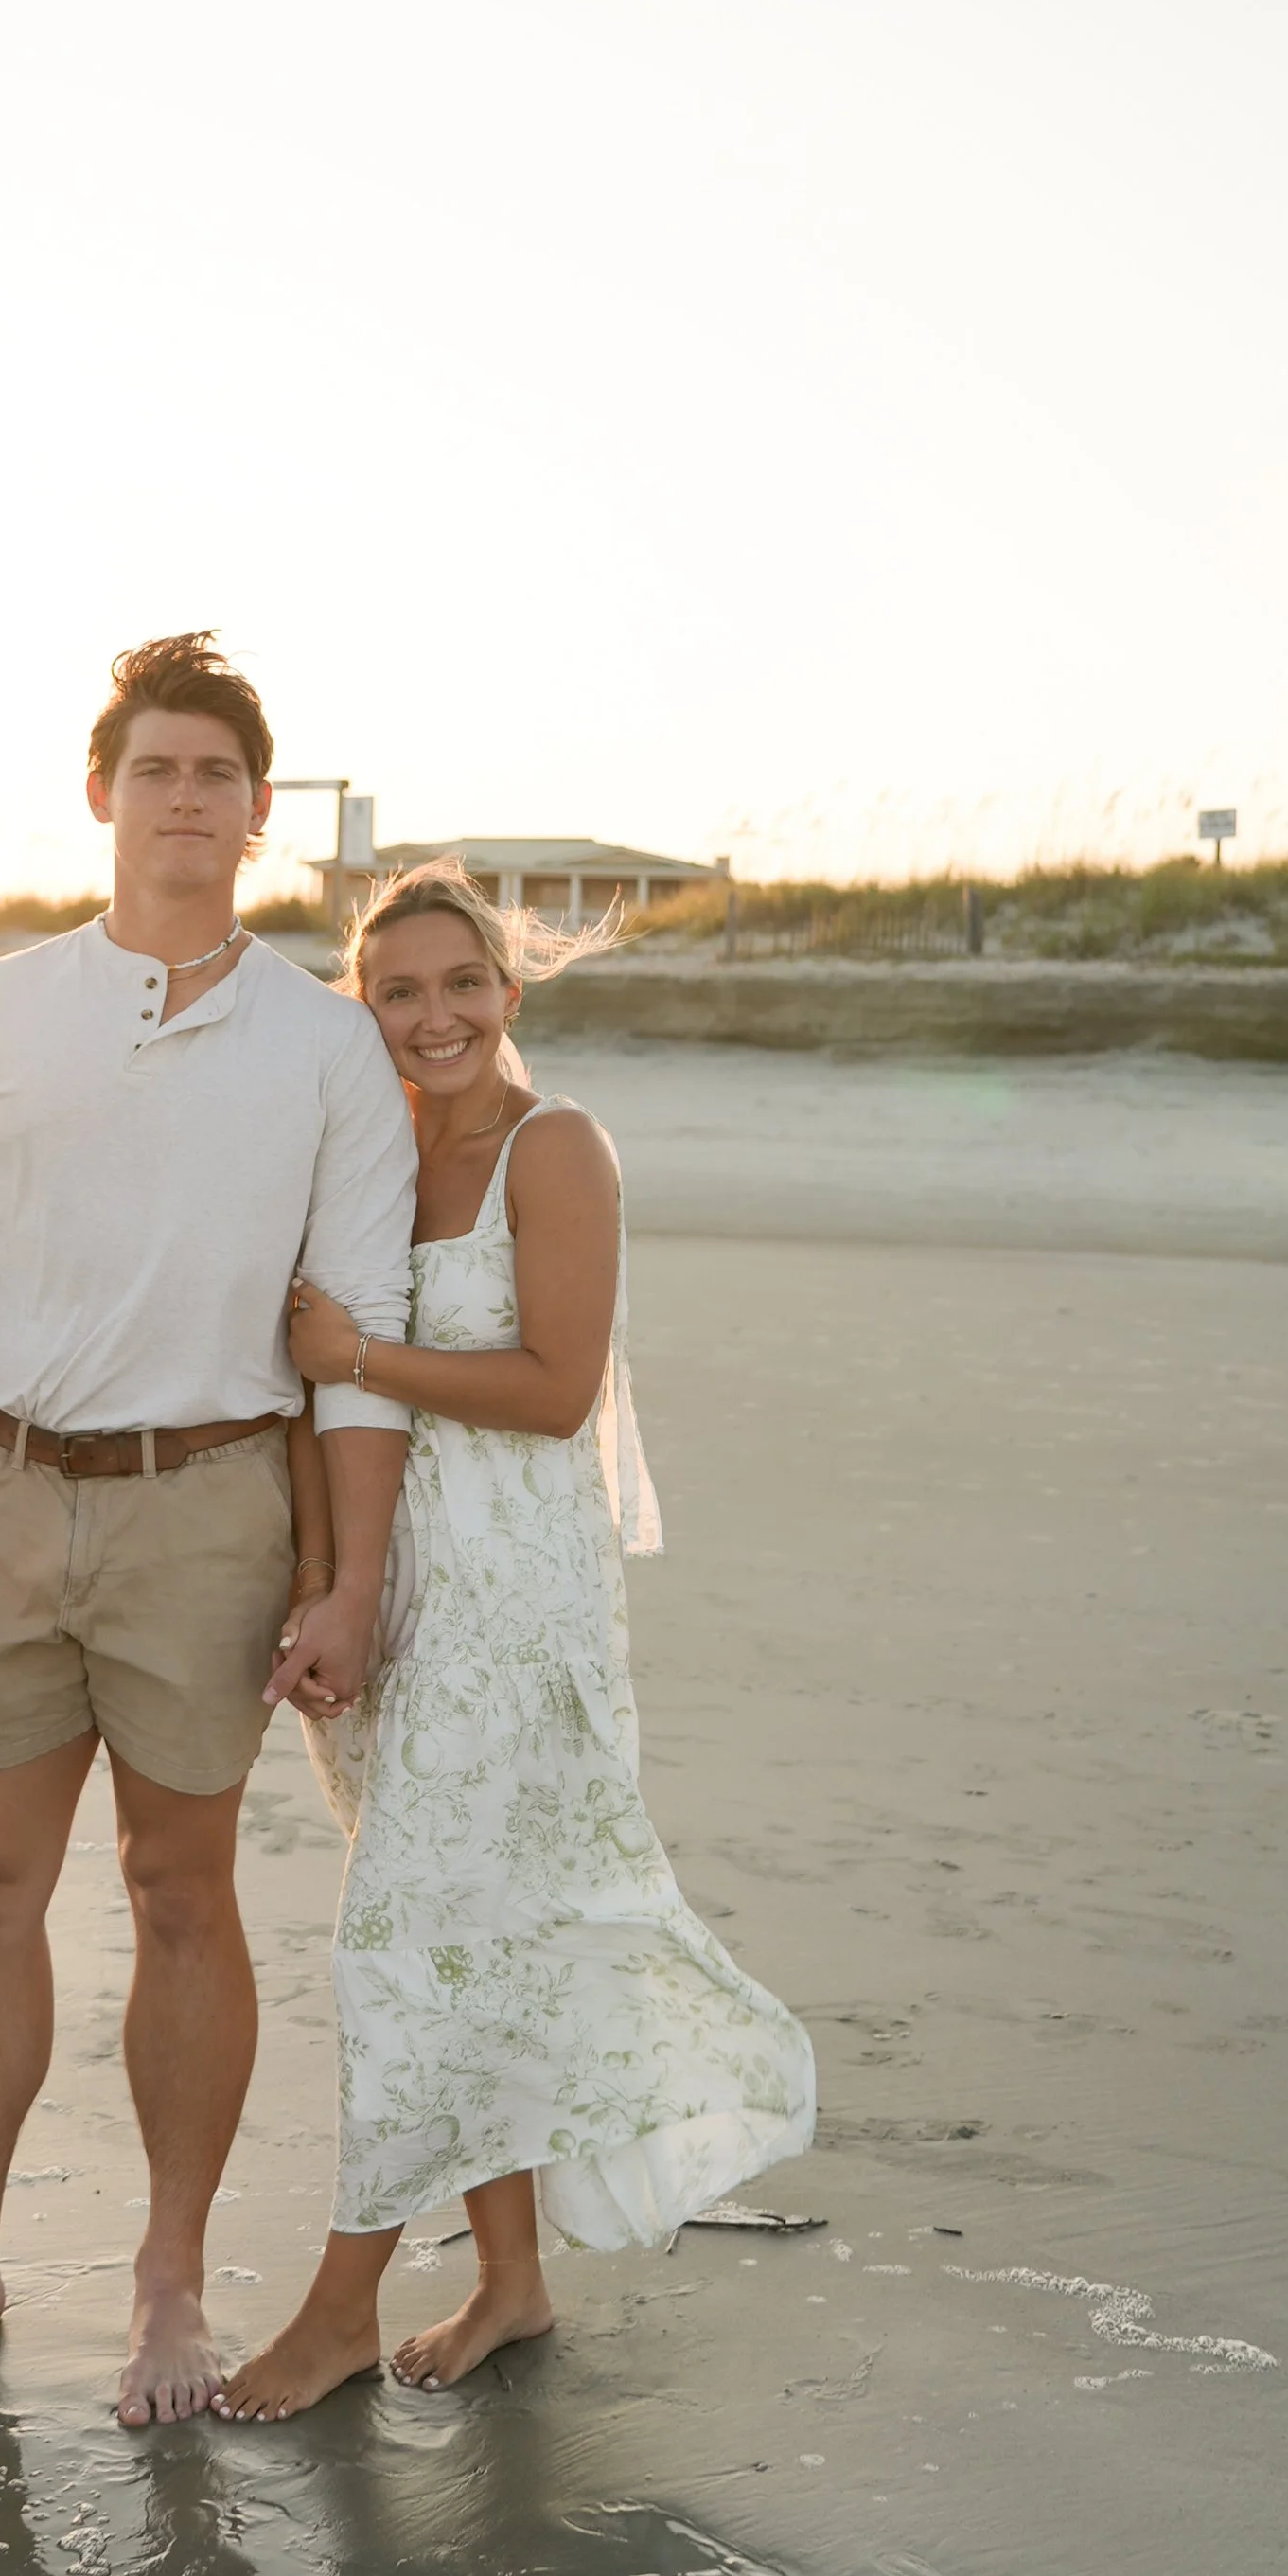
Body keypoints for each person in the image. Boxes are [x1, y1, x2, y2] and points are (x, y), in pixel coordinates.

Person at [0, 634, 415, 2426]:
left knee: (181, 1891)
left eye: (217, 776)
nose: (184, 799)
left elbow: (360, 1334)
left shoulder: (327, 1046)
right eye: (154, 768)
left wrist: (351, 1577)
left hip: (211, 1504)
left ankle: (169, 2282)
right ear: (102, 792)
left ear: (256, 814)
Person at [214, 862, 816, 2420]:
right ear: (367, 1009)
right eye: (397, 993)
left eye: (459, 986)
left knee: (400, 1940)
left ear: (510, 991)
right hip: (397, 1592)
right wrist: (329, 1579)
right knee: (483, 1935)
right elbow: (309, 1394)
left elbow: (555, 1387)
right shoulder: (370, 1156)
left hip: (517, 1611)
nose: (432, 1018)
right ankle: (515, 2278)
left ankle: (340, 2306)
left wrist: (365, 1348)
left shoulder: (560, 1150)